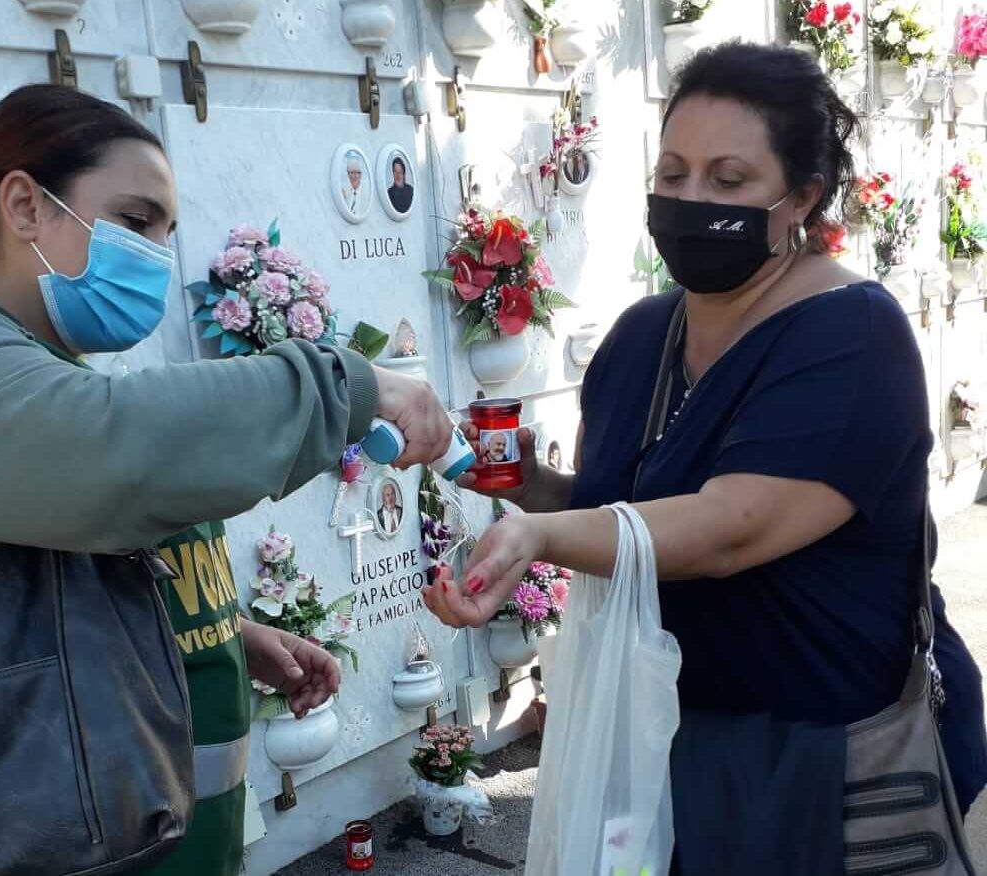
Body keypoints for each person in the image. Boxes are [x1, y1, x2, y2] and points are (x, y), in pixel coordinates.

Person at [0, 84, 454, 876]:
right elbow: (113, 453)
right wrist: (349, 387)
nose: (156, 259)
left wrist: (221, 634)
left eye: (166, 233)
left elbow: (34, 584)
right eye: (135, 222)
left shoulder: (29, 363)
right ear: (25, 206)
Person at [423, 40, 987, 857]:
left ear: (801, 199)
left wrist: (538, 537)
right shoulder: (641, 338)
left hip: (824, 771)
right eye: (673, 173)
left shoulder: (854, 336)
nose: (691, 201)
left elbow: (729, 527)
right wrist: (510, 480)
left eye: (728, 181)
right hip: (670, 760)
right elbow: (621, 511)